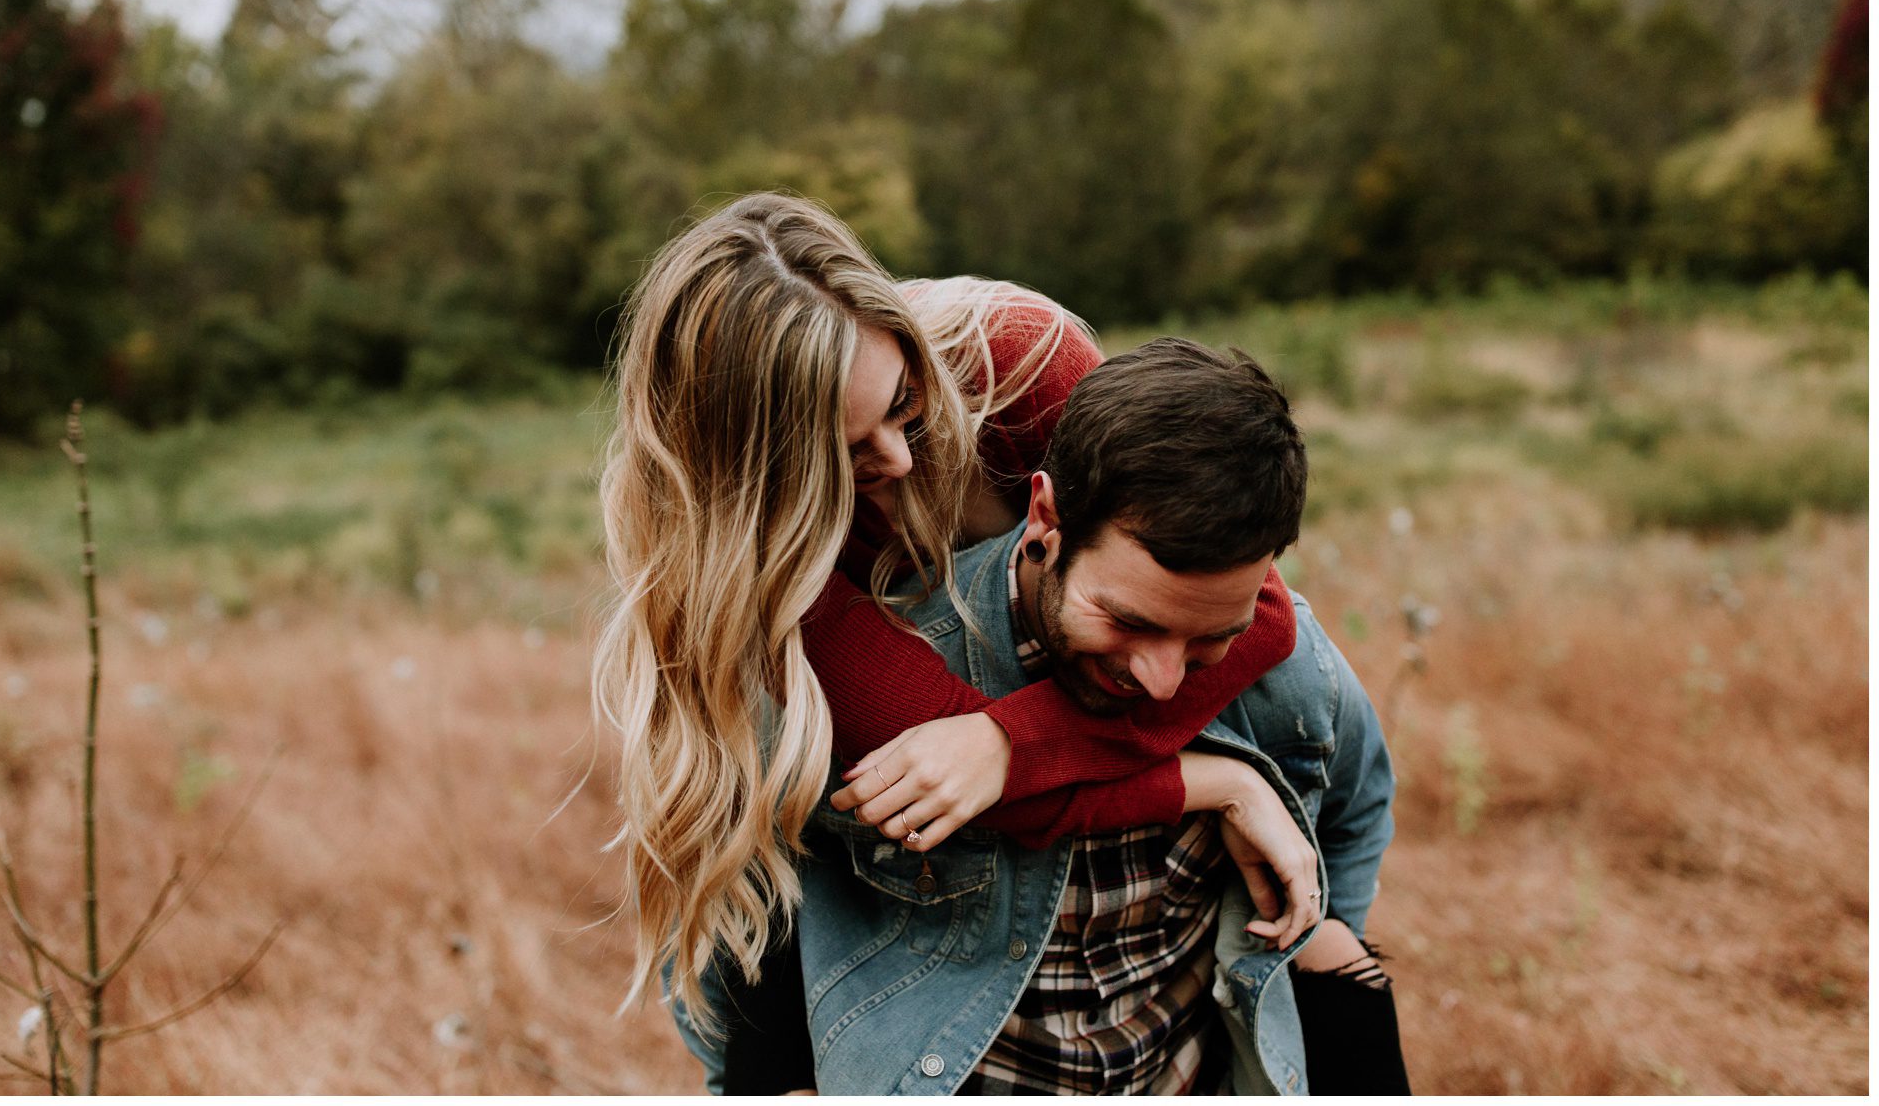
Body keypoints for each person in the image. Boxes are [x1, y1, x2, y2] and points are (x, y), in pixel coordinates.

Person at [591, 194, 1317, 1054]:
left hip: (1081, 716)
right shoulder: (755, 569)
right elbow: (955, 791)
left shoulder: (1014, 366)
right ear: (752, 476)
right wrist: (1219, 783)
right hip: (881, 854)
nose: (898, 459)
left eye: (904, 405)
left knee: (1299, 674)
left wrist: (1006, 741)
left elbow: (1251, 606)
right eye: (843, 449)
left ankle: (1334, 957)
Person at [675, 339, 1409, 1094]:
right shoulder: (869, 681)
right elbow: (739, 896)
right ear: (1045, 517)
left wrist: (1319, 943)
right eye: (1127, 620)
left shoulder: (1280, 660)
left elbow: (1350, 802)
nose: (1163, 685)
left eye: (1208, 640)